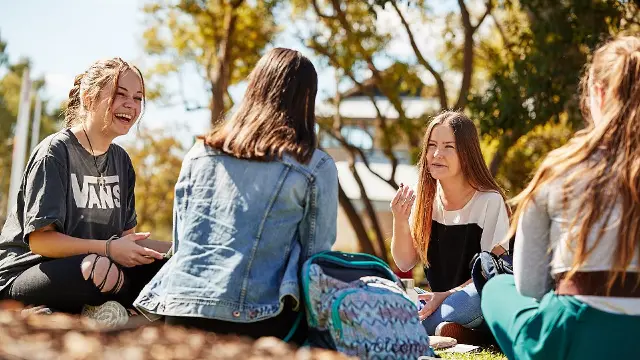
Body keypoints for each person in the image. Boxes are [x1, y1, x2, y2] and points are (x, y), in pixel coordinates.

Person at [134, 48, 338, 343]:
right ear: (307, 99)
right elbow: (314, 260)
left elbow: (182, 245)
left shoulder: (198, 154)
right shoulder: (313, 164)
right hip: (259, 317)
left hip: (179, 308)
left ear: (253, 88)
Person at [481, 35, 640, 360]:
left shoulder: (562, 167)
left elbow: (530, 286)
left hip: (574, 334)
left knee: (498, 286)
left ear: (597, 92)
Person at [0, 58, 169, 327]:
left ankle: (85, 311)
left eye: (138, 98)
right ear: (90, 99)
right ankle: (49, 311)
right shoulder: (55, 153)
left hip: (102, 264)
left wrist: (183, 251)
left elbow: (128, 243)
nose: (131, 105)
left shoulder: (122, 161)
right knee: (96, 270)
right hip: (31, 271)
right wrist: (108, 249)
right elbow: (41, 242)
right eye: (120, 94)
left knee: (171, 268)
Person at [391, 110, 510, 343]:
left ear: (466, 153)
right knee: (392, 291)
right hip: (437, 300)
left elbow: (490, 274)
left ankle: (406, 326)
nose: (437, 154)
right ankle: (450, 331)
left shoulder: (489, 201)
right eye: (432, 145)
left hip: (475, 296)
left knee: (471, 299)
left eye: (448, 147)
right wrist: (399, 219)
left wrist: (444, 296)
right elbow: (404, 262)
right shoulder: (426, 201)